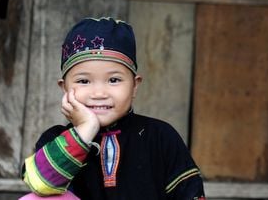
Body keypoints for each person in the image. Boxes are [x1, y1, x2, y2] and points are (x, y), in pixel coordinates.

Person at [22, 17, 205, 199]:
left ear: (134, 86)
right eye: (84, 81)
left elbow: (189, 192)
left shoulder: (159, 136)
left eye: (114, 80)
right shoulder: (55, 140)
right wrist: (86, 129)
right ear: (65, 88)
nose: (99, 93)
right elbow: (40, 184)